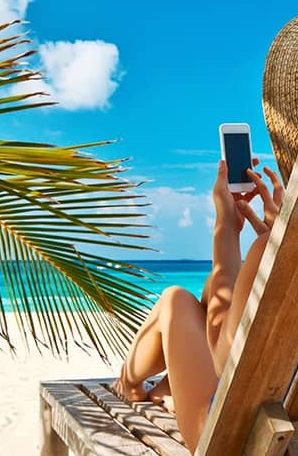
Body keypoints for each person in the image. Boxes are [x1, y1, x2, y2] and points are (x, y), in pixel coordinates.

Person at [111, 158, 284, 451]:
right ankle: (165, 388)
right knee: (210, 292)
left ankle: (129, 385)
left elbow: (222, 356)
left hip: (230, 441)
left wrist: (229, 226)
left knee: (176, 299)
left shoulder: (273, 248)